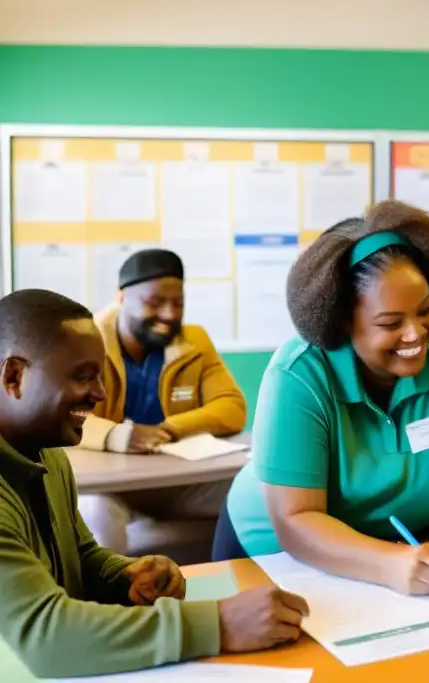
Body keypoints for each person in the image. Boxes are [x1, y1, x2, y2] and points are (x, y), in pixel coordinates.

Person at [215, 201, 429, 594]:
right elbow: (297, 520)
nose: (417, 333)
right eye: (391, 322)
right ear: (343, 321)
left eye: (425, 310)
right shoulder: (298, 375)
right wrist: (387, 563)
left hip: (400, 554)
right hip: (273, 556)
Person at [0, 289, 308, 678]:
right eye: (82, 376)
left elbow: (79, 556)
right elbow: (45, 639)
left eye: (99, 374)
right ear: (14, 376)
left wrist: (123, 576)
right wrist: (221, 624)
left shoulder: (48, 454)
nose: (99, 394)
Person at [76, 249, 246, 553]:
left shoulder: (194, 341)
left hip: (179, 483)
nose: (169, 315)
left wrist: (170, 428)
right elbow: (63, 414)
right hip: (112, 487)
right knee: (94, 510)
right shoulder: (84, 341)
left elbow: (231, 406)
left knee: (259, 489)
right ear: (122, 297)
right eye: (154, 303)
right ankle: (109, 598)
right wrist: (118, 435)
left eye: (178, 303)